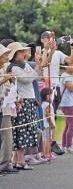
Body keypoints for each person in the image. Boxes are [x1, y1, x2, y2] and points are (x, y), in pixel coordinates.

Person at [7, 42, 48, 170]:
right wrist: (37, 67)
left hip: (29, 100)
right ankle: (20, 161)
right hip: (22, 101)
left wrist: (39, 62)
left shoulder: (24, 65)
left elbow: (38, 76)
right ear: (15, 54)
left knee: (27, 129)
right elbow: (27, 79)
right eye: (20, 51)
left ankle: (16, 161)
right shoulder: (13, 67)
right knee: (21, 130)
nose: (23, 53)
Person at [40, 31, 73, 155]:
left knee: (54, 114)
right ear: (43, 39)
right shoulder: (41, 51)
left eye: (53, 38)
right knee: (47, 116)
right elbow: (44, 63)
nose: (51, 40)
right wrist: (50, 50)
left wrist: (72, 47)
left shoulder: (58, 53)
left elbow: (71, 61)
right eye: (49, 38)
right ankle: (47, 143)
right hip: (46, 86)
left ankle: (53, 142)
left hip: (56, 86)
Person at [0, 44, 19, 175]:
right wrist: (5, 78)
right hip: (2, 106)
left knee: (5, 136)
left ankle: (5, 165)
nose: (7, 56)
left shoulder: (3, 70)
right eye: (5, 54)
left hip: (4, 105)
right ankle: (3, 165)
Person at [59, 63, 73, 153]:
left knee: (68, 125)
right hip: (66, 104)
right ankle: (68, 145)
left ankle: (65, 144)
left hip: (71, 103)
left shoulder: (71, 76)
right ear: (66, 66)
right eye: (72, 64)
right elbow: (71, 88)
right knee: (72, 124)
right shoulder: (65, 76)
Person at [40, 88, 55, 161]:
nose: (51, 96)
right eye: (49, 94)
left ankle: (44, 153)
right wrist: (51, 123)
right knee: (48, 140)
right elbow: (47, 115)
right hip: (47, 124)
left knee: (45, 139)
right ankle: (46, 154)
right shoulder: (47, 105)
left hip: (44, 124)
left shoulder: (42, 104)